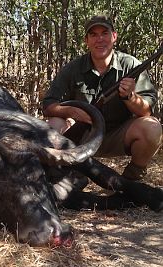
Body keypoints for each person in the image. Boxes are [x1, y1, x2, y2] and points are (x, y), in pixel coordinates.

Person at [42, 15, 162, 181]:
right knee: (54, 124)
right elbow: (48, 105)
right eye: (94, 35)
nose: (100, 39)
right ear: (87, 40)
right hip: (83, 137)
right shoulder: (73, 68)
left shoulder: (131, 65)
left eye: (104, 33)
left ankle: (131, 179)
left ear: (114, 36)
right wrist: (73, 112)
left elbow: (146, 111)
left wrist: (130, 96)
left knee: (152, 127)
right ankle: (62, 175)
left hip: (117, 136)